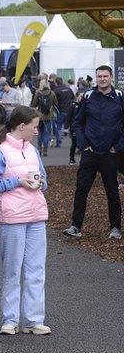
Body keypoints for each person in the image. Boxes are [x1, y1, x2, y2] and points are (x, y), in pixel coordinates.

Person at [0, 106, 51, 336]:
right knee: (12, 270)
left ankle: (34, 319)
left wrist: (40, 183)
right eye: (34, 126)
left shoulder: (32, 150)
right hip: (12, 217)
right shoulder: (0, 151)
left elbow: (45, 180)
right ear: (22, 126)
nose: (37, 131)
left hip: (36, 214)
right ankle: (10, 319)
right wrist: (17, 181)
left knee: (36, 269)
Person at [65, 65, 124, 240]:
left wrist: (118, 146)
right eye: (99, 76)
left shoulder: (119, 97)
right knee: (81, 189)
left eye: (105, 76)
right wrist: (83, 144)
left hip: (110, 152)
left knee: (112, 191)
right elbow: (78, 123)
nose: (102, 79)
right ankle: (75, 226)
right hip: (90, 152)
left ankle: (115, 228)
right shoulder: (88, 96)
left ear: (111, 77)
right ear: (96, 78)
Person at [30, 80, 57, 156]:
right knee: (46, 134)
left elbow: (34, 104)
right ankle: (45, 150)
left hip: (39, 116)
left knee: (40, 133)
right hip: (48, 116)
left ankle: (39, 149)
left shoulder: (38, 93)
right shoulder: (52, 93)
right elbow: (56, 104)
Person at [53, 77, 74, 148]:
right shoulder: (68, 89)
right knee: (71, 127)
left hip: (60, 111)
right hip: (69, 110)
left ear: (56, 82)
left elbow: (54, 102)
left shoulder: (56, 91)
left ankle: (59, 143)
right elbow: (73, 98)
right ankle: (74, 142)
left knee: (59, 127)